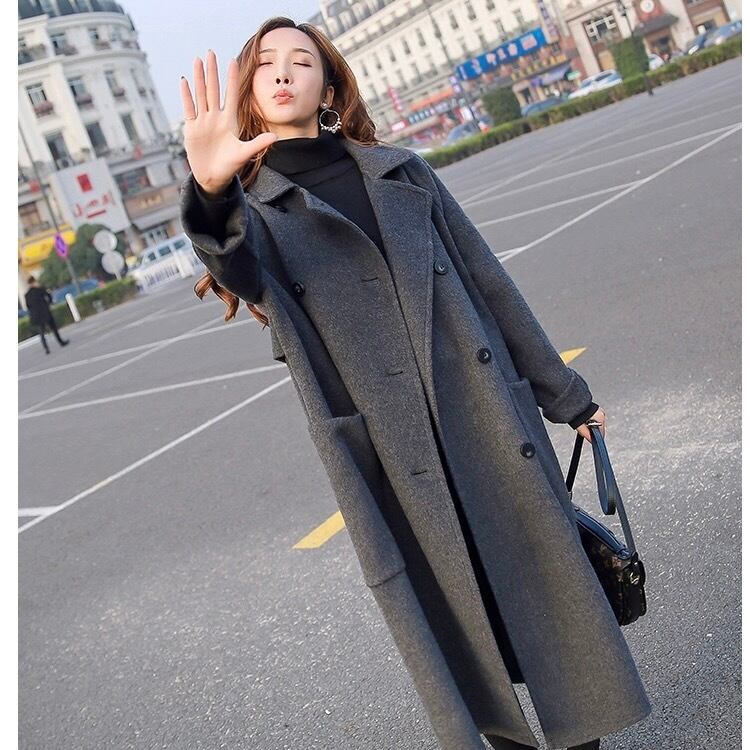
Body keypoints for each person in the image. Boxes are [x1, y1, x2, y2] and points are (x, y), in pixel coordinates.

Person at [179, 18, 651, 750]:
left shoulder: (402, 172)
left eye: (301, 60)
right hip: (392, 455)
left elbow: (490, 284)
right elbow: (233, 264)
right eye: (265, 65)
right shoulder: (254, 213)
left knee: (547, 602)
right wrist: (211, 194)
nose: (283, 72)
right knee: (461, 627)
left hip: (487, 419)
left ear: (328, 87)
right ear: (249, 94)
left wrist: (567, 396)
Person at [23, 277, 69, 354]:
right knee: (54, 328)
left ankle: (46, 348)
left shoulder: (27, 295)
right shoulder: (40, 289)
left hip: (37, 316)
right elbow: (49, 296)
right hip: (45, 313)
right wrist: (48, 304)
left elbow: (28, 306)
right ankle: (61, 342)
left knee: (41, 332)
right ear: (33, 282)